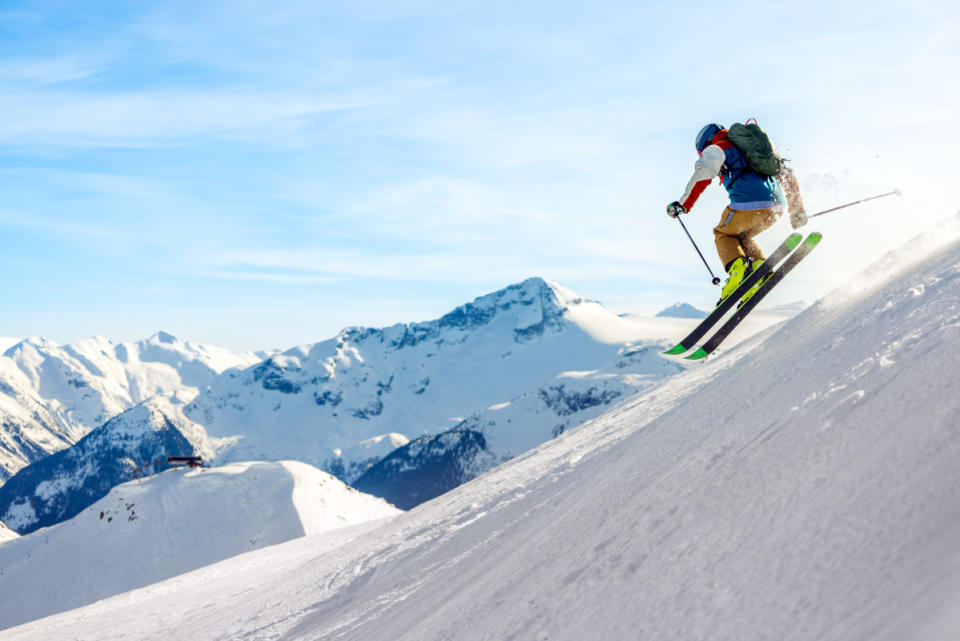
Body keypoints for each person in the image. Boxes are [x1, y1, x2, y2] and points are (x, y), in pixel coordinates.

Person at [667, 122, 807, 305]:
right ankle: (759, 269)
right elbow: (787, 174)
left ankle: (737, 270)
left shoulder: (717, 147)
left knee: (723, 233)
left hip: (748, 202)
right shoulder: (755, 149)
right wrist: (797, 210)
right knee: (742, 237)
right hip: (776, 206)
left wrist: (683, 205)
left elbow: (702, 176)